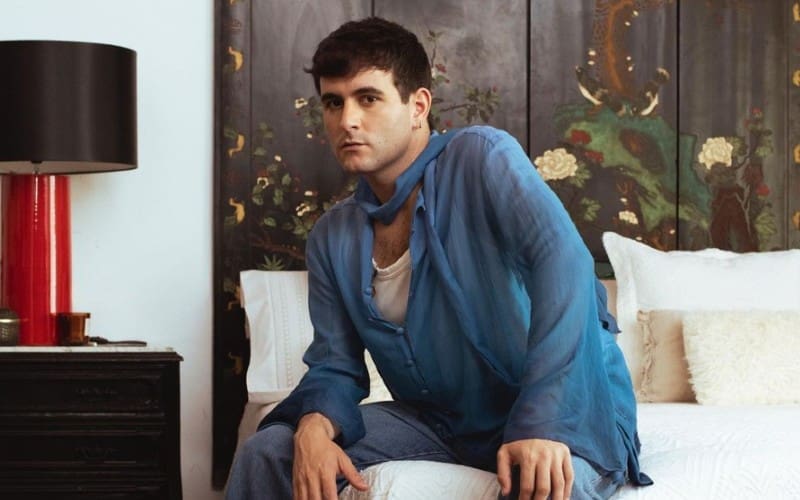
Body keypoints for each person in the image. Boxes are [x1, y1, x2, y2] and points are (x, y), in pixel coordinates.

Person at [226, 16, 651, 500]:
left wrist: (544, 421)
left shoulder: (482, 157)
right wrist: (313, 426)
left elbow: (565, 263)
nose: (347, 120)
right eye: (333, 102)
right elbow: (335, 365)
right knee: (269, 452)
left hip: (568, 407)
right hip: (441, 422)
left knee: (544, 487)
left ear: (418, 106)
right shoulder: (332, 236)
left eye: (368, 98)